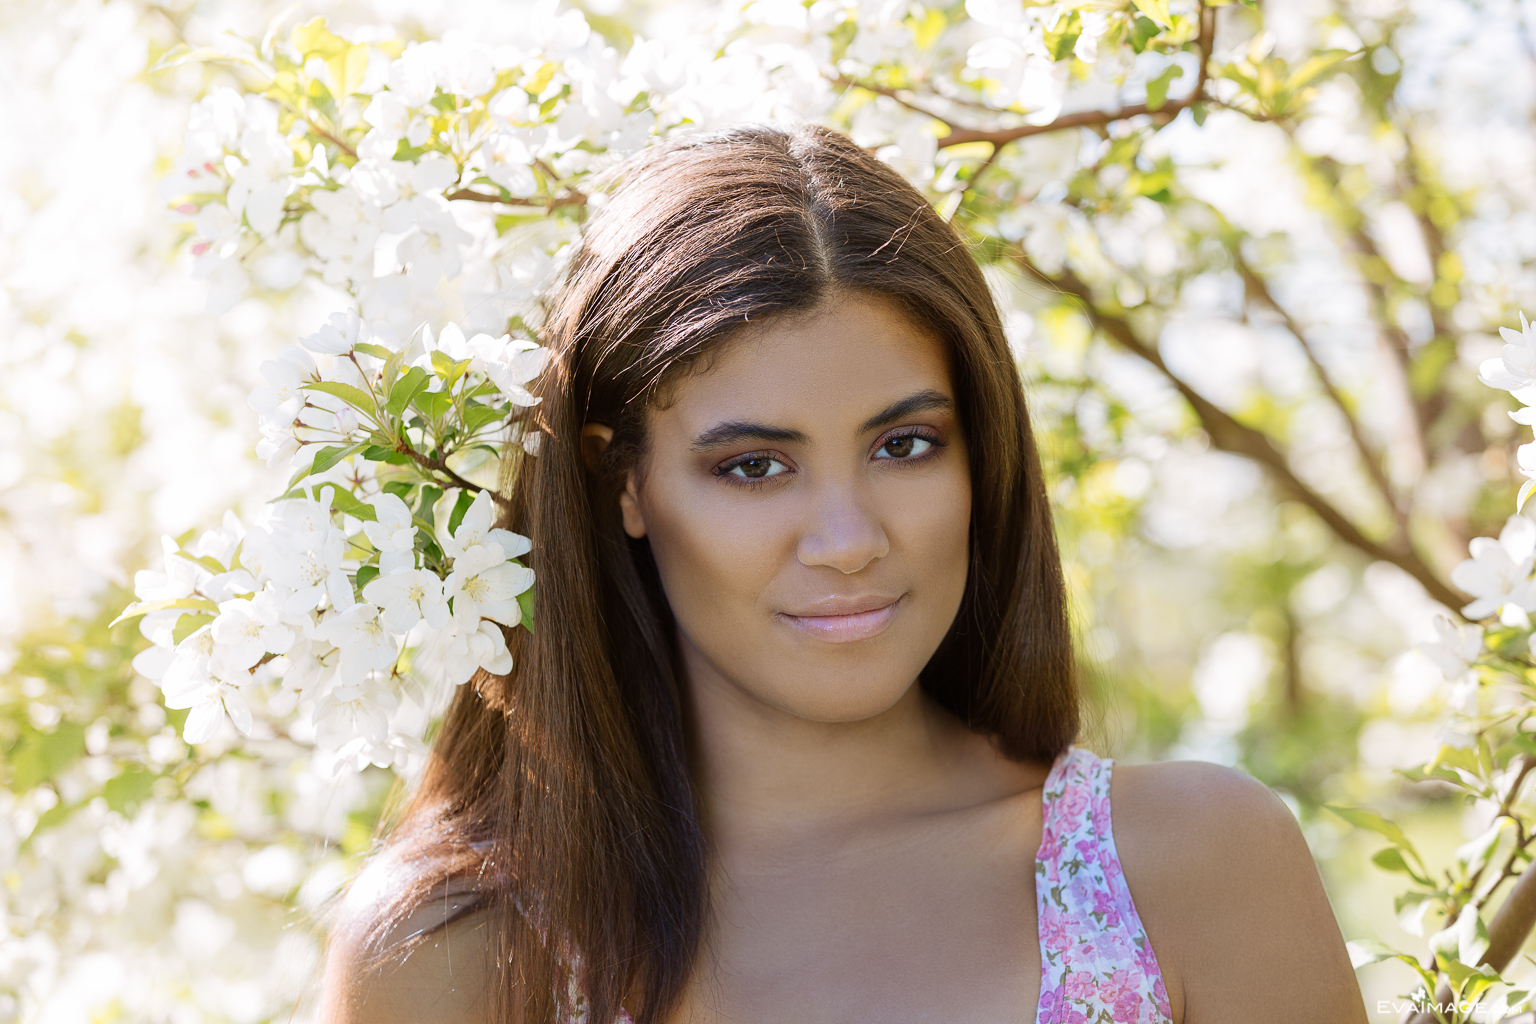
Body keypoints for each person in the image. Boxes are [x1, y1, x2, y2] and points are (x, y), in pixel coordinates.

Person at [318, 122, 1367, 1024]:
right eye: (754, 466)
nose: (847, 537)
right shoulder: (458, 952)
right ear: (621, 483)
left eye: (903, 444)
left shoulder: (1191, 866)